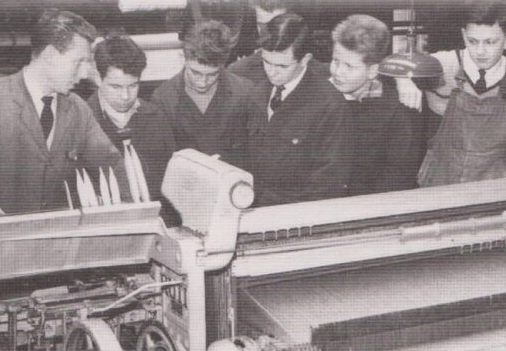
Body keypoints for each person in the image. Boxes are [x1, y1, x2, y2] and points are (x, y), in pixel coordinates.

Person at [0, 9, 125, 227]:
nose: (85, 73)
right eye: (79, 62)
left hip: (56, 244)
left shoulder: (77, 109)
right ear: (49, 55)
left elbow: (112, 165)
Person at [397, 0, 506, 186]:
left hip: (495, 182)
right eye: (473, 41)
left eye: (490, 42)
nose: (480, 51)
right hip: (440, 180)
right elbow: (396, 62)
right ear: (464, 37)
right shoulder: (441, 65)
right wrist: (403, 80)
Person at [244, 13, 353, 207]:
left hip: (297, 216)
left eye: (282, 65)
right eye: (266, 61)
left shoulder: (329, 105)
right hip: (253, 208)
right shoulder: (257, 91)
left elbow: (328, 185)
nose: (271, 71)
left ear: (305, 60)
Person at [88, 34, 180, 225]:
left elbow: (172, 188)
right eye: (116, 86)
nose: (125, 96)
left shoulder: (157, 118)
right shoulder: (81, 122)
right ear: (97, 78)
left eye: (133, 86)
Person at [329, 14, 424, 195]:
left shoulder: (398, 112)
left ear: (373, 70)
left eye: (349, 66)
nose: (337, 72)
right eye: (335, 61)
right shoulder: (318, 92)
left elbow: (398, 179)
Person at [151, 20, 253, 168]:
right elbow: (162, 160)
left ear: (223, 64)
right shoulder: (163, 99)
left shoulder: (245, 93)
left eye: (212, 75)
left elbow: (254, 152)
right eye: (196, 73)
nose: (202, 82)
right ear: (183, 58)